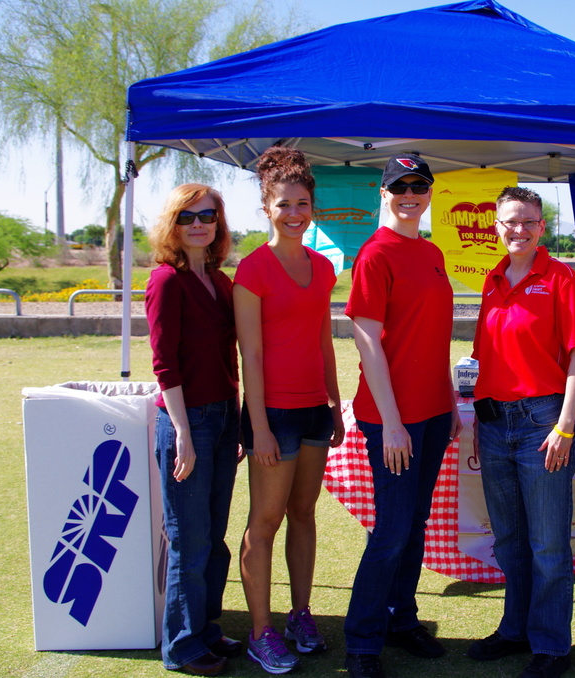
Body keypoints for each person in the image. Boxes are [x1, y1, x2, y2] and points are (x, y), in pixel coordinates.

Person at [343, 153, 463, 678]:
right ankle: (362, 641)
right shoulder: (375, 254)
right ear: (384, 194)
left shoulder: (431, 252)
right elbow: (367, 341)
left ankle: (401, 617)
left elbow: (431, 338)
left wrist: (449, 402)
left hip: (433, 412)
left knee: (414, 523)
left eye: (419, 186)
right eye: (400, 187)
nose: (410, 195)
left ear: (430, 192)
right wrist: (392, 423)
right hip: (392, 418)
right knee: (391, 530)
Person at [465, 187, 575, 678]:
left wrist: (565, 424)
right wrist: (481, 419)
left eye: (528, 222)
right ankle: (515, 629)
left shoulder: (561, 278)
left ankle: (552, 646)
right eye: (510, 222)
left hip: (544, 422)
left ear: (542, 227)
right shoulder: (493, 279)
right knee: (509, 540)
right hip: (495, 424)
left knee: (548, 545)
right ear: (497, 226)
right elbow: (484, 356)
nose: (519, 230)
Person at [234, 147, 344, 675]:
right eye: (284, 204)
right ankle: (261, 632)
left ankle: (301, 615)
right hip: (272, 417)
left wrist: (334, 401)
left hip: (314, 412)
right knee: (265, 521)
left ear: (312, 207)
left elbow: (323, 340)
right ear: (266, 208)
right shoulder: (252, 269)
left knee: (303, 515)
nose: (294, 213)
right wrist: (257, 427)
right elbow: (250, 354)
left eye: (302, 203)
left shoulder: (323, 268)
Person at [147, 184, 242, 676]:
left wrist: (237, 419)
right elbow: (165, 365)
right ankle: (181, 646)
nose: (199, 224)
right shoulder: (166, 281)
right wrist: (182, 433)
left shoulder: (221, 282)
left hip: (223, 417)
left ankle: (205, 627)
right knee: (190, 538)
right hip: (189, 421)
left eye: (208, 215)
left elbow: (230, 357)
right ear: (173, 224)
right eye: (187, 216)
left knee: (214, 535)